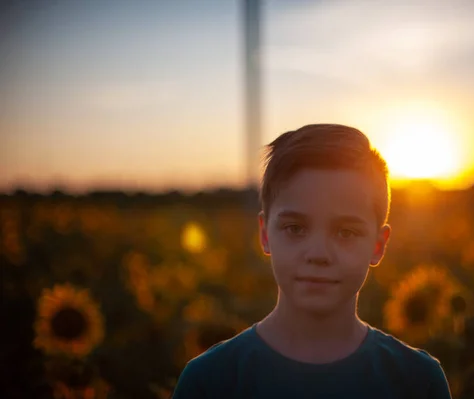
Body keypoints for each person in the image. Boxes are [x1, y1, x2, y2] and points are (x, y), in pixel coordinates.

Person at [172, 124, 452, 398]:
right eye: (295, 228)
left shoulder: (418, 382)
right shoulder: (209, 382)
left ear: (378, 246)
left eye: (346, 232)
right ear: (265, 234)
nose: (318, 253)